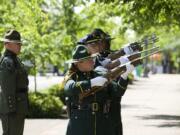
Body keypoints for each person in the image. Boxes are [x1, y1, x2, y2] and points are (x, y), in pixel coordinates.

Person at [78, 28, 138, 135]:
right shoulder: (82, 60)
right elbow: (106, 66)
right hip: (89, 112)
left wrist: (126, 63)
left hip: (110, 103)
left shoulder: (98, 57)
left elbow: (109, 61)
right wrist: (124, 56)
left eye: (99, 43)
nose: (99, 45)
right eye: (95, 43)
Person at [64, 45, 126, 135]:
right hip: (80, 124)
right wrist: (91, 83)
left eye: (92, 58)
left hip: (101, 122)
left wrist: (124, 76)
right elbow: (70, 89)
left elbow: (117, 92)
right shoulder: (72, 76)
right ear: (79, 62)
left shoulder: (99, 74)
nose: (92, 61)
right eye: (89, 59)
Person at [0, 30, 29, 135]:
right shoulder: (8, 61)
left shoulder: (15, 60)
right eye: (17, 43)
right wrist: (11, 109)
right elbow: (7, 88)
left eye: (20, 43)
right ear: (7, 44)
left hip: (18, 108)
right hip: (12, 109)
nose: (20, 46)